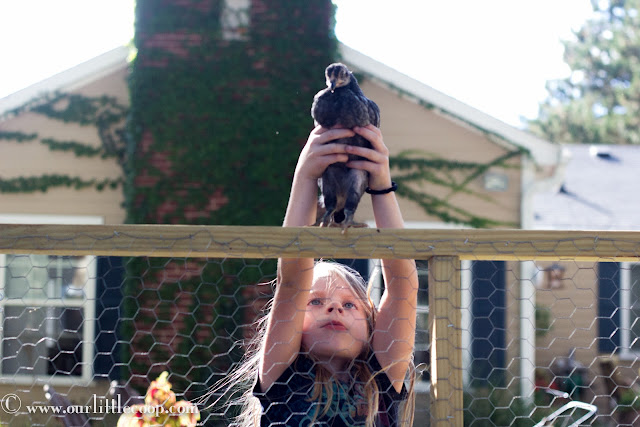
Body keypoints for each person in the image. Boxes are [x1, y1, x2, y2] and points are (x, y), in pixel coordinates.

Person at [207, 125, 419, 426]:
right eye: (316, 302)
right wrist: (306, 177)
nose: (334, 308)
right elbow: (293, 281)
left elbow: (403, 287)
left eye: (350, 305)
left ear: (372, 328)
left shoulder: (379, 382)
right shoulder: (284, 376)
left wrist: (381, 186)